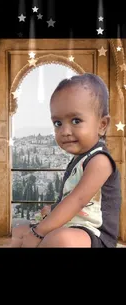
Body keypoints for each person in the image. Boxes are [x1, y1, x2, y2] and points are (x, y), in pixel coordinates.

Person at [11, 73, 121, 248]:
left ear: (102, 125)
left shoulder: (100, 161)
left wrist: (38, 231)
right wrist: (52, 210)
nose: (65, 131)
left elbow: (76, 201)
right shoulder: (78, 161)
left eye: (76, 120)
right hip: (70, 225)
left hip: (94, 234)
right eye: (58, 123)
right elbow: (67, 199)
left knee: (60, 240)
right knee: (19, 231)